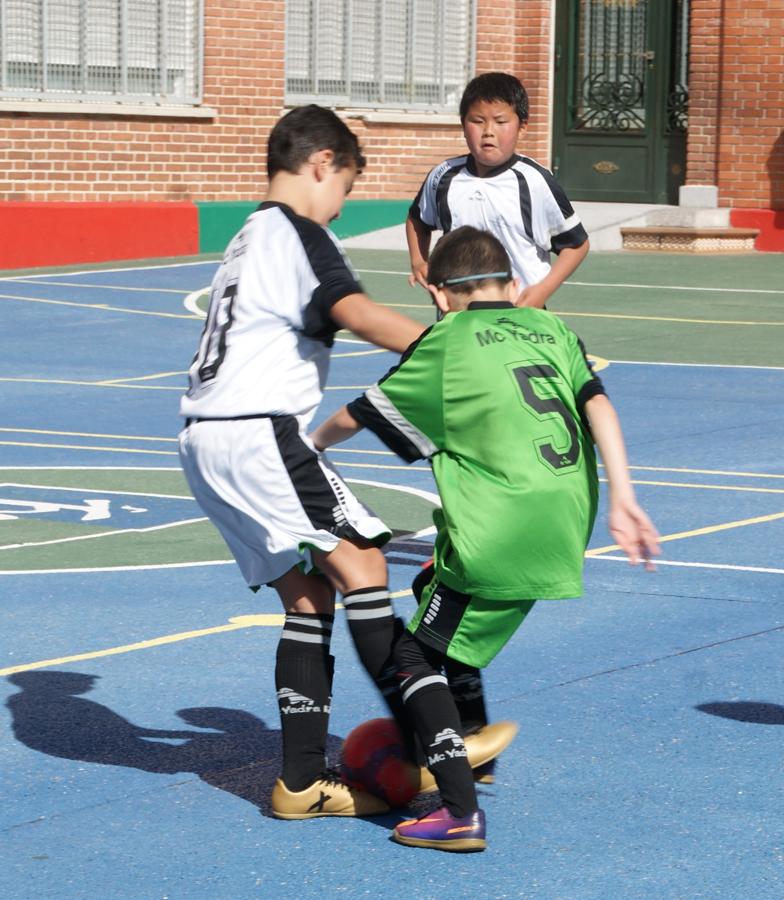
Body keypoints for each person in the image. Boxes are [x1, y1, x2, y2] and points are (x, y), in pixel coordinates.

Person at [177, 106, 514, 821]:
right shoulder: (300, 232)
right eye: (346, 189)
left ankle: (300, 783)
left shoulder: (246, 237)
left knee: (309, 594)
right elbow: (355, 311)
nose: (340, 206)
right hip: (256, 430)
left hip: (203, 437)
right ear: (323, 163)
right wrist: (453, 350)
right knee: (362, 563)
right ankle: (435, 744)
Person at [311, 226, 661, 851]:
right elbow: (598, 406)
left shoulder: (447, 339)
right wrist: (626, 496)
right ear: (516, 285)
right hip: (565, 518)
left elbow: (364, 412)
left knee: (412, 657)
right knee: (433, 589)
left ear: (440, 294)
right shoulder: (552, 329)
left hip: (501, 525)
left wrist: (308, 447)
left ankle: (457, 810)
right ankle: (472, 742)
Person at [406, 71, 590, 310]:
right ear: (463, 125)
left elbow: (576, 245)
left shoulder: (535, 182)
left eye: (500, 122)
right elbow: (418, 219)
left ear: (521, 128)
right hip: (459, 316)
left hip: (520, 315)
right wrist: (418, 262)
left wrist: (542, 291)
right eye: (477, 121)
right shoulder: (443, 176)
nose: (488, 131)